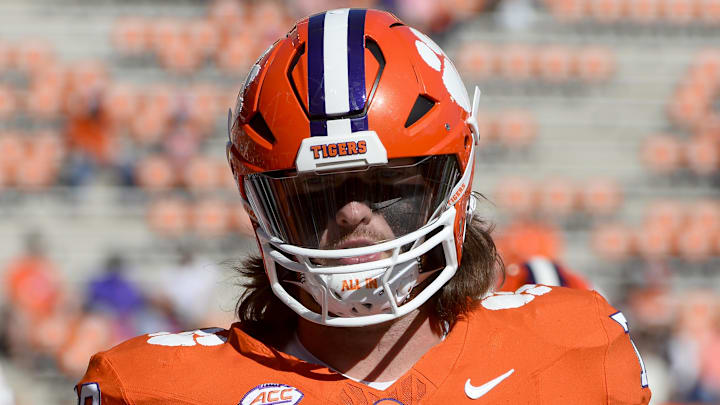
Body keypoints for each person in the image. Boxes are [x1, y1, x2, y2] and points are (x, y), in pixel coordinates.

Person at [76, 9, 652, 404]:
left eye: (386, 184)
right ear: (260, 202)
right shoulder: (157, 386)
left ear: (453, 177)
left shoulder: (575, 349)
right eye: (314, 193)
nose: (351, 214)